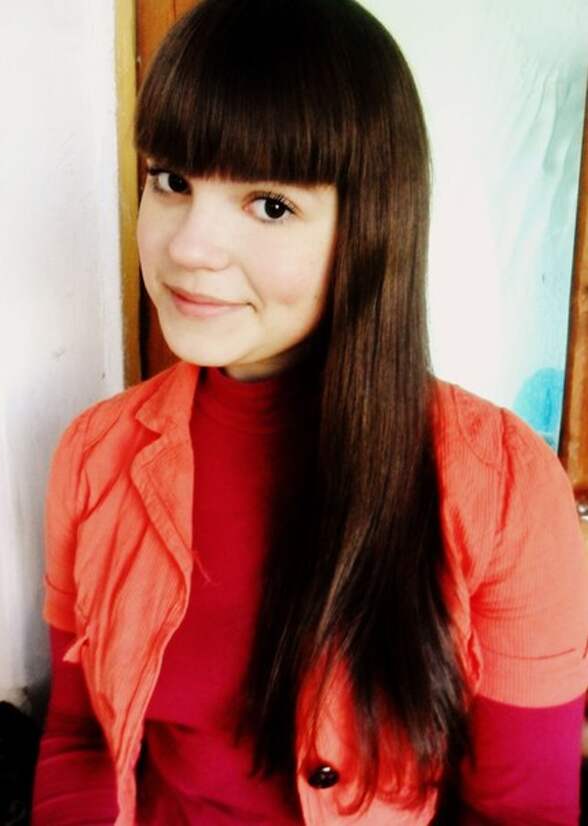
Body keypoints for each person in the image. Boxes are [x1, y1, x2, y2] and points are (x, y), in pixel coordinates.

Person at [31, 0, 588, 823]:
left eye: (270, 204)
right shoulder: (93, 454)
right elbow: (80, 736)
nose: (186, 247)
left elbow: (523, 814)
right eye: (172, 180)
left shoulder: (504, 490)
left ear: (369, 226)